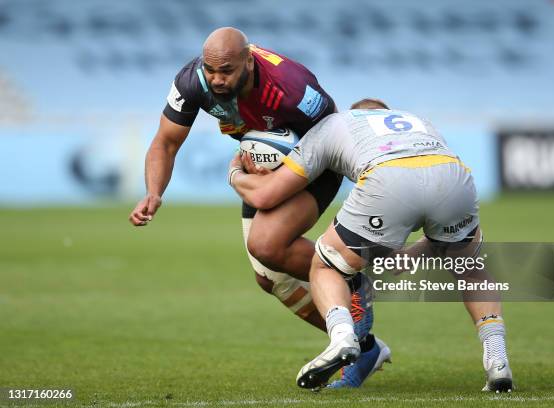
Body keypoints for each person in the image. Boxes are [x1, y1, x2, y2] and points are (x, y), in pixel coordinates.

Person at [128, 28, 390, 388]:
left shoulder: (293, 89)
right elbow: (165, 143)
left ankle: (349, 275)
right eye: (211, 70)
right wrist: (154, 193)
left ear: (249, 61)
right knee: (271, 278)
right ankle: (362, 346)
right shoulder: (192, 81)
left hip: (315, 163)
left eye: (226, 71)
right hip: (260, 165)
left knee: (266, 245)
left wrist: (286, 171)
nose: (217, 80)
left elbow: (333, 137)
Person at [229, 98, 514, 392]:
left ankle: (343, 337)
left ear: (355, 114)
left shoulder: (335, 124)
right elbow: (440, 211)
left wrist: (236, 173)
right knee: (470, 269)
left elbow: (265, 196)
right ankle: (497, 359)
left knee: (327, 266)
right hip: (454, 176)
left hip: (387, 179)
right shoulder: (418, 122)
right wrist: (404, 257)